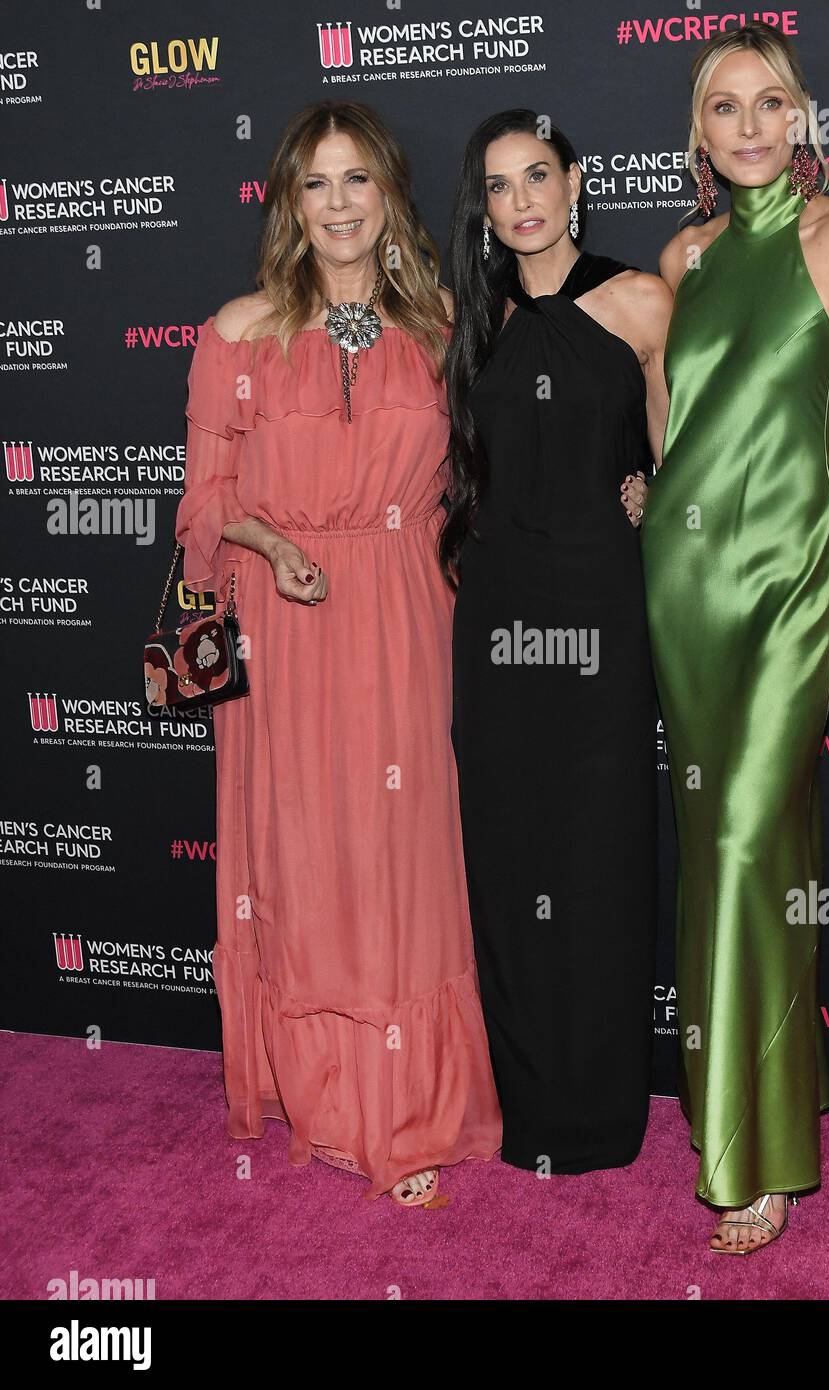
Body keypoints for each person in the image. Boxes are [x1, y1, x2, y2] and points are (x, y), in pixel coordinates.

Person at [176, 100, 501, 1207]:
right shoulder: (236, 337)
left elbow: (493, 486)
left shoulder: (446, 330)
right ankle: (331, 1099)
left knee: (399, 856)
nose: (338, 204)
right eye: (314, 184)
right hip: (285, 621)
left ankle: (406, 1105)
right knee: (308, 858)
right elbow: (204, 510)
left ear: (389, 196)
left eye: (356, 179)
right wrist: (269, 542)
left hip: (407, 616)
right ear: (286, 204)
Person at [641, 25, 829, 1252]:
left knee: (750, 839)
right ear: (696, 133)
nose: (747, 127)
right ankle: (752, 1104)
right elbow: (675, 431)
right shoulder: (682, 257)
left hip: (795, 585)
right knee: (719, 855)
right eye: (721, 109)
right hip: (684, 591)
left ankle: (756, 1155)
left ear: (801, 115)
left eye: (768, 103)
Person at [441, 110, 671, 1174]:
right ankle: (527, 1108)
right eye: (498, 186)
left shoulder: (637, 301)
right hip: (494, 615)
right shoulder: (462, 316)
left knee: (598, 848)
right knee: (510, 850)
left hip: (602, 616)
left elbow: (683, 461)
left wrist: (651, 498)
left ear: (574, 181)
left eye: (537, 175)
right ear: (482, 208)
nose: (522, 199)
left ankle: (597, 1108)